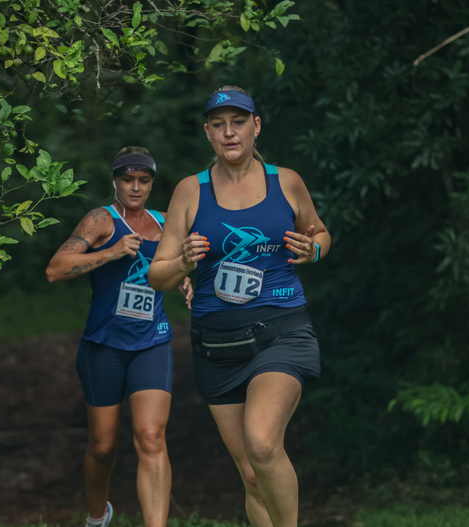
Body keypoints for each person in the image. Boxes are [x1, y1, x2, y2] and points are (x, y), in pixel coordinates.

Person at [149, 86, 331, 527]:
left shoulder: (285, 181)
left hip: (281, 331)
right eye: (219, 125)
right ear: (207, 132)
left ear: (256, 126)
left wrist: (313, 251)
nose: (229, 132)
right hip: (217, 345)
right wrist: (183, 262)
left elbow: (320, 233)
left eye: (238, 122)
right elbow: (157, 275)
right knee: (251, 474)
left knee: (262, 443)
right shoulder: (190, 191)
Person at [45, 146, 192, 527]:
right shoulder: (101, 220)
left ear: (152, 183)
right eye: (128, 180)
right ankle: (97, 518)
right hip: (104, 346)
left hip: (152, 342)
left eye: (143, 180)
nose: (135, 187)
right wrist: (110, 253)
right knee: (102, 446)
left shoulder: (165, 222)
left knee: (150, 437)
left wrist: (184, 280)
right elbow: (55, 269)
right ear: (115, 181)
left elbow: (174, 264)